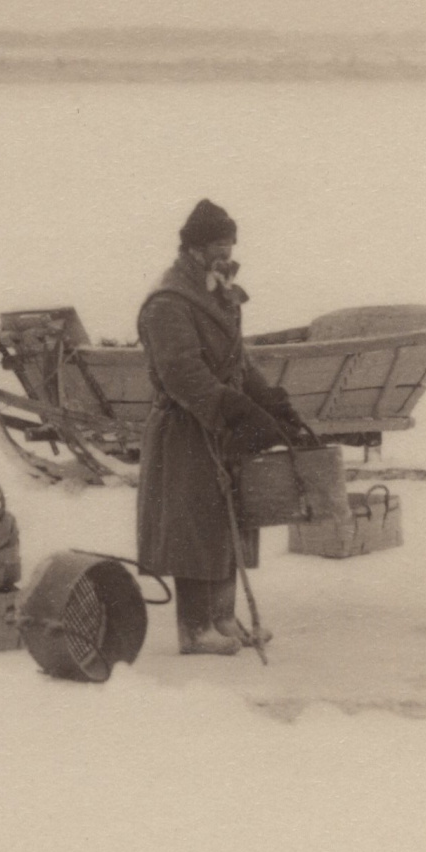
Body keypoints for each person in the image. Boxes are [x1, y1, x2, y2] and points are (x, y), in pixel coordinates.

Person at [134, 200, 306, 655]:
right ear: (192, 248)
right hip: (187, 430)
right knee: (195, 524)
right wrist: (230, 409)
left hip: (217, 426)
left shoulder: (217, 294)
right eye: (217, 244)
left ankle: (224, 619)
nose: (226, 252)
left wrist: (268, 401)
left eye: (230, 243)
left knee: (228, 520)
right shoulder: (169, 301)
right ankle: (195, 630)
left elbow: (238, 360)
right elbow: (182, 373)